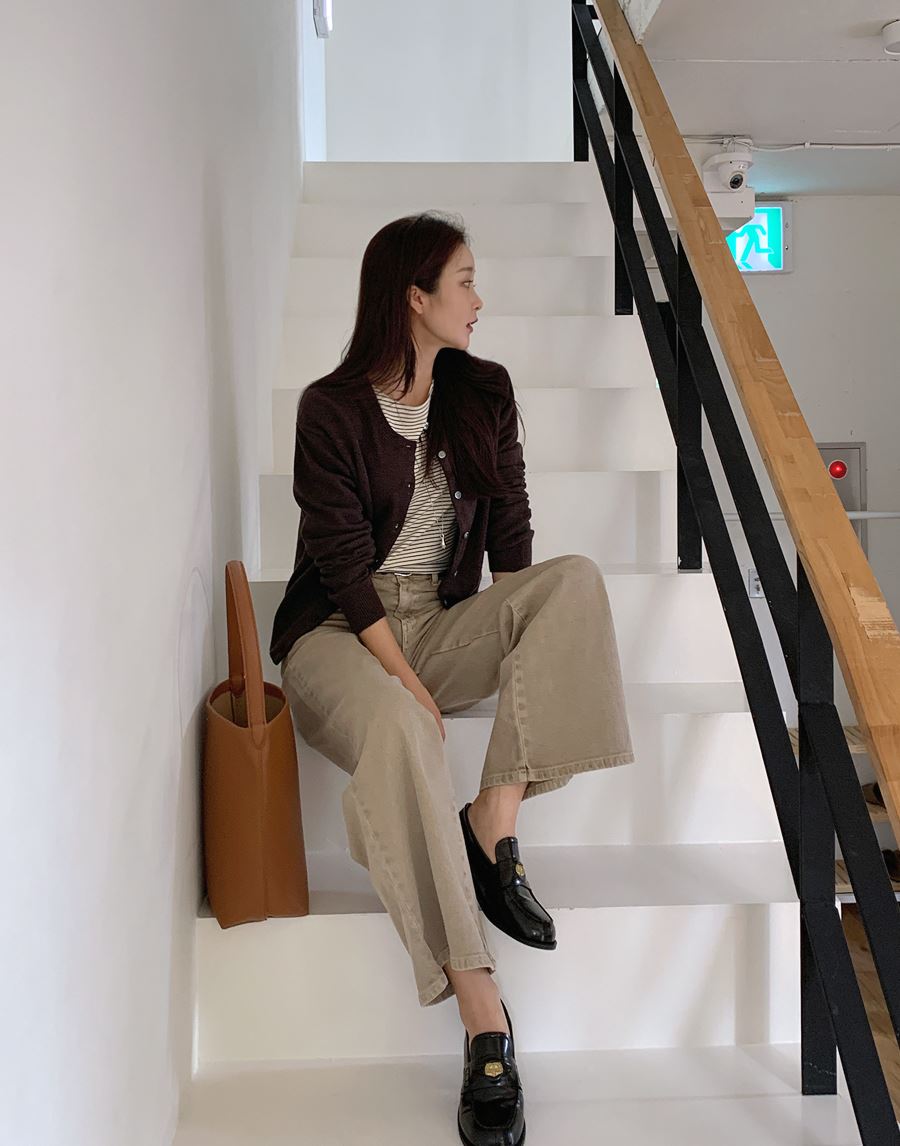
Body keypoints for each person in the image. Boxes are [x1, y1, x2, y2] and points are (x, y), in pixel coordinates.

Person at [269, 211, 635, 1146]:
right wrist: (406, 678)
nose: (479, 300)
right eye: (465, 281)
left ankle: (493, 821)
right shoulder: (330, 409)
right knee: (400, 723)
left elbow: (511, 525)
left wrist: (519, 628)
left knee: (574, 583)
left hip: (437, 614)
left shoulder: (483, 390)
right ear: (414, 297)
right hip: (337, 632)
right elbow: (341, 566)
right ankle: (482, 1011)